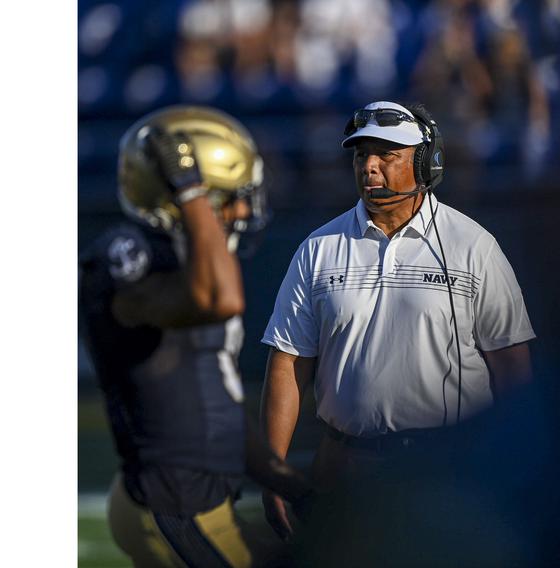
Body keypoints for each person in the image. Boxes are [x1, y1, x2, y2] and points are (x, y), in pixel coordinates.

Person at [259, 100, 536, 541]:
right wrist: (273, 470)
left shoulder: (474, 247)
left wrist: (518, 469)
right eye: (360, 154)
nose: (369, 167)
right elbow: (288, 365)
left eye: (387, 154)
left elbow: (513, 372)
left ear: (427, 162)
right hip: (344, 468)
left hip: (449, 474)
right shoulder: (318, 248)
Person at [79, 105, 312, 567]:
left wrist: (288, 483)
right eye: (229, 197)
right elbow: (219, 300)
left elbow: (217, 404)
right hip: (174, 505)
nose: (245, 210)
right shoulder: (130, 259)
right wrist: (192, 191)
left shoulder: (190, 264)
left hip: (198, 494)